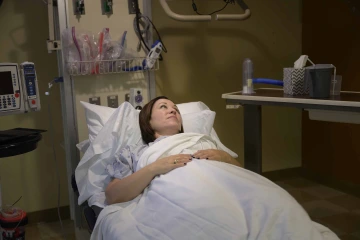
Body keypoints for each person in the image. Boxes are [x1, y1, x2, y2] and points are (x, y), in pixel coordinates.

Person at [105, 96, 241, 205]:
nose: (173, 111)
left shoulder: (201, 140)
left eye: (175, 109)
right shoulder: (136, 152)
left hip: (226, 193)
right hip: (185, 199)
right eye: (163, 107)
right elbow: (112, 195)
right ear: (148, 121)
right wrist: (154, 168)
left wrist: (226, 157)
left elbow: (245, 177)